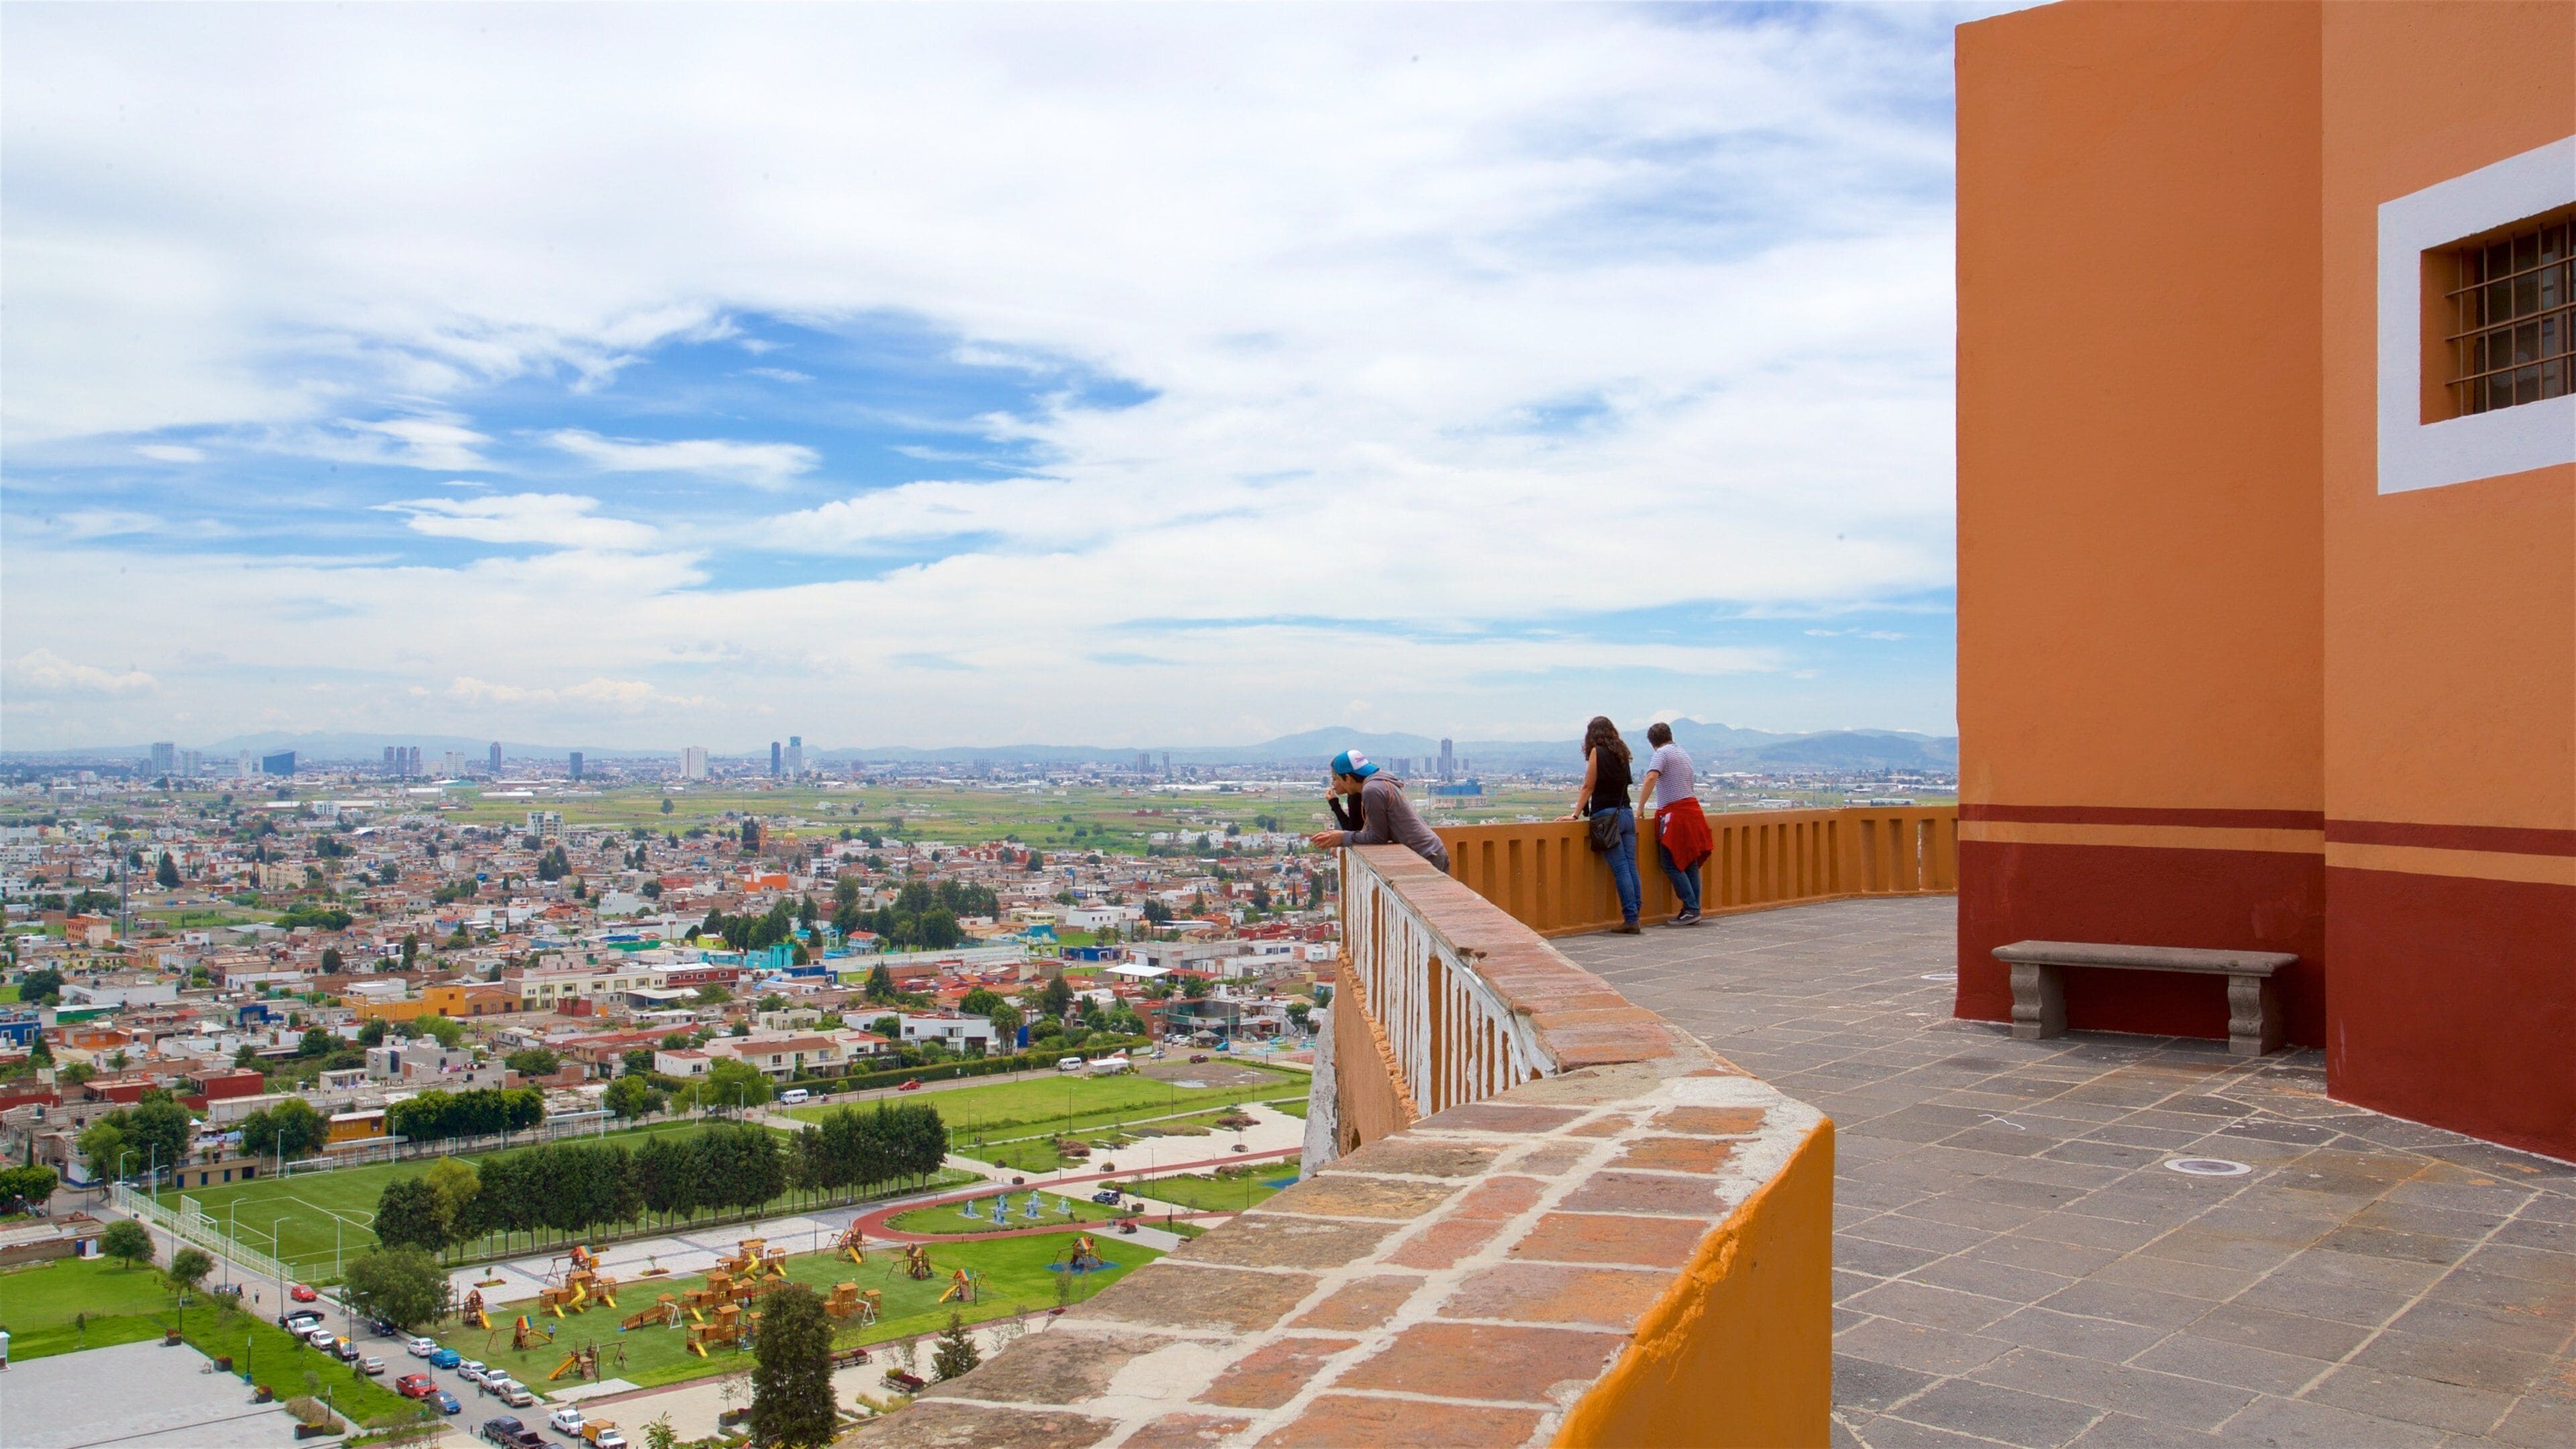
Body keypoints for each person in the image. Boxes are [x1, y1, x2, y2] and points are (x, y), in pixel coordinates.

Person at [1309, 750, 1450, 873]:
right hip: (1433, 849)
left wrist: (1343, 838)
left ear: (1349, 778)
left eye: (1338, 779)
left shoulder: (1371, 791)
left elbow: (1378, 837)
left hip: (1426, 854)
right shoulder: (1379, 782)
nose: (1335, 783)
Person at [1567, 716, 1641, 933]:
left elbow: (1588, 786)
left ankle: (1631, 919)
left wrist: (1574, 814)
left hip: (1607, 818)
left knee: (1621, 869)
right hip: (1627, 814)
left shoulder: (1596, 753)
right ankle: (1636, 913)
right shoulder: (1622, 753)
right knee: (1630, 866)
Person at [1638, 721, 1711, 926]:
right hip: (1692, 810)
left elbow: (1652, 777)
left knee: (1669, 862)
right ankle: (1694, 907)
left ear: (1653, 743)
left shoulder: (1661, 754)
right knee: (1689, 862)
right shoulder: (1683, 753)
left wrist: (1641, 807)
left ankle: (1690, 907)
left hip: (1675, 813)